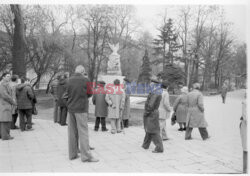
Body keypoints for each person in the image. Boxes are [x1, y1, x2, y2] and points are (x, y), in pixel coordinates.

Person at [63, 65, 98, 162]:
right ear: (83, 72)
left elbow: (65, 95)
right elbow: (90, 93)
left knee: (72, 133)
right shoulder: (85, 80)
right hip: (81, 109)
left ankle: (72, 154)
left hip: (71, 110)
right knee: (83, 132)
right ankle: (86, 156)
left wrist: (69, 104)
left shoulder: (69, 80)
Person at [142, 78, 164, 153]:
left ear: (154, 84)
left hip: (151, 113)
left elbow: (151, 105)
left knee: (154, 130)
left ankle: (159, 148)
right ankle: (145, 145)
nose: (149, 85)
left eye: (151, 84)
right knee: (149, 129)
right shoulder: (156, 91)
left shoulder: (155, 92)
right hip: (153, 112)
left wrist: (146, 112)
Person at [0, 72, 16, 140]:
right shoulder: (3, 84)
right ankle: (5, 136)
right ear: (3, 77)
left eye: (9, 76)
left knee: (6, 120)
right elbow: (5, 95)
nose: (9, 77)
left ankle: (5, 135)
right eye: (7, 76)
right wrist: (13, 102)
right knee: (5, 121)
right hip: (4, 105)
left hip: (6, 104)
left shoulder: (6, 84)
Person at [240, 90, 247, 173]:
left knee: (246, 149)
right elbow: (246, 118)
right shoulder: (245, 102)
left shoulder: (245, 102)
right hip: (246, 127)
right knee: (246, 149)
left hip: (245, 127)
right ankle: (245, 170)